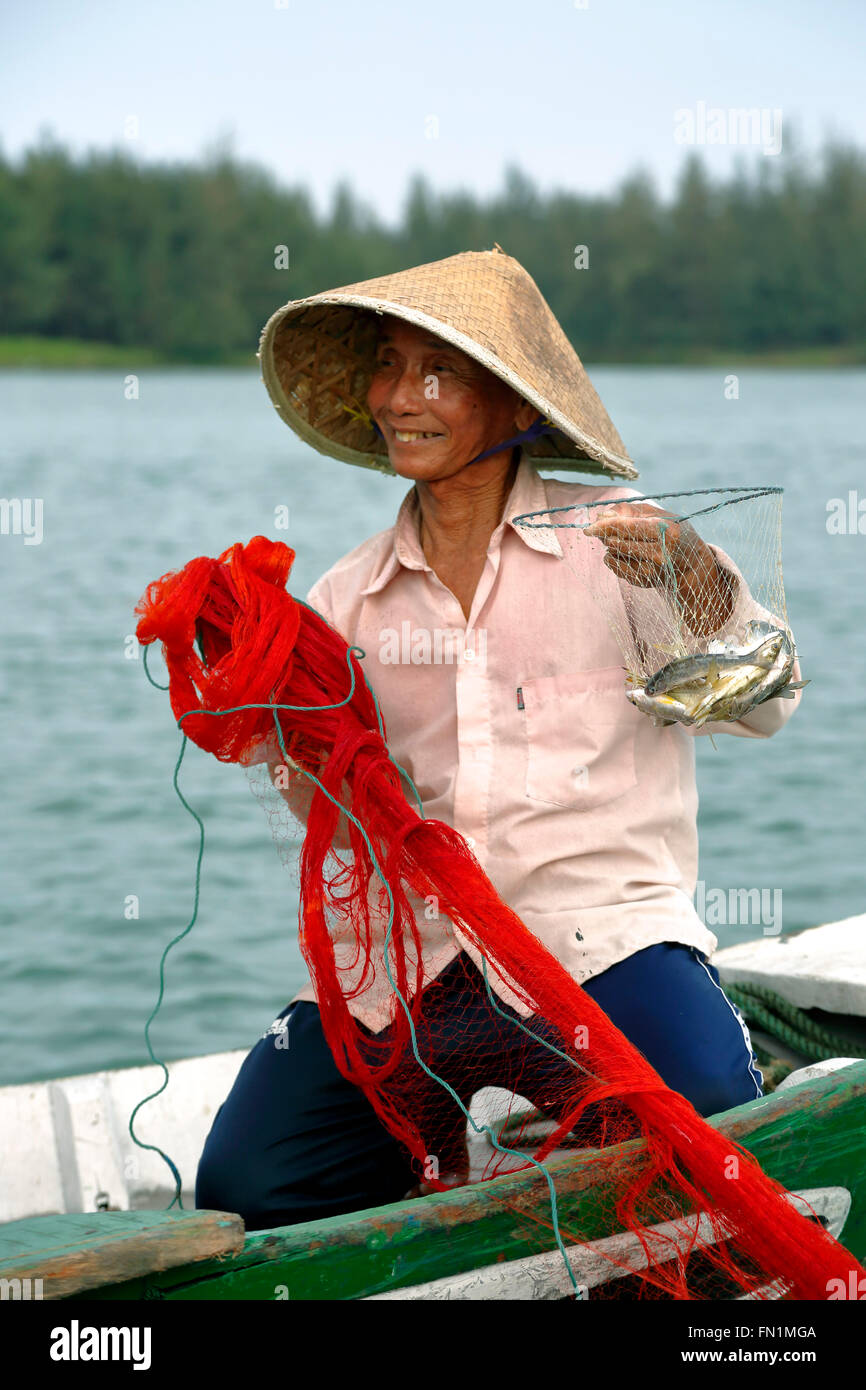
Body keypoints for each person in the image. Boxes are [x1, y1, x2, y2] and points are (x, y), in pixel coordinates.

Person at [195, 249, 804, 1230]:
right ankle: (442, 1167)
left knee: (710, 1124)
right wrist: (266, 701)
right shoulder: (344, 601)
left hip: (594, 942)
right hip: (412, 969)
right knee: (249, 1183)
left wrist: (695, 592)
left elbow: (764, 705)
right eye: (388, 367)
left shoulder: (624, 551)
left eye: (437, 373)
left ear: (514, 404)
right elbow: (327, 811)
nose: (401, 397)